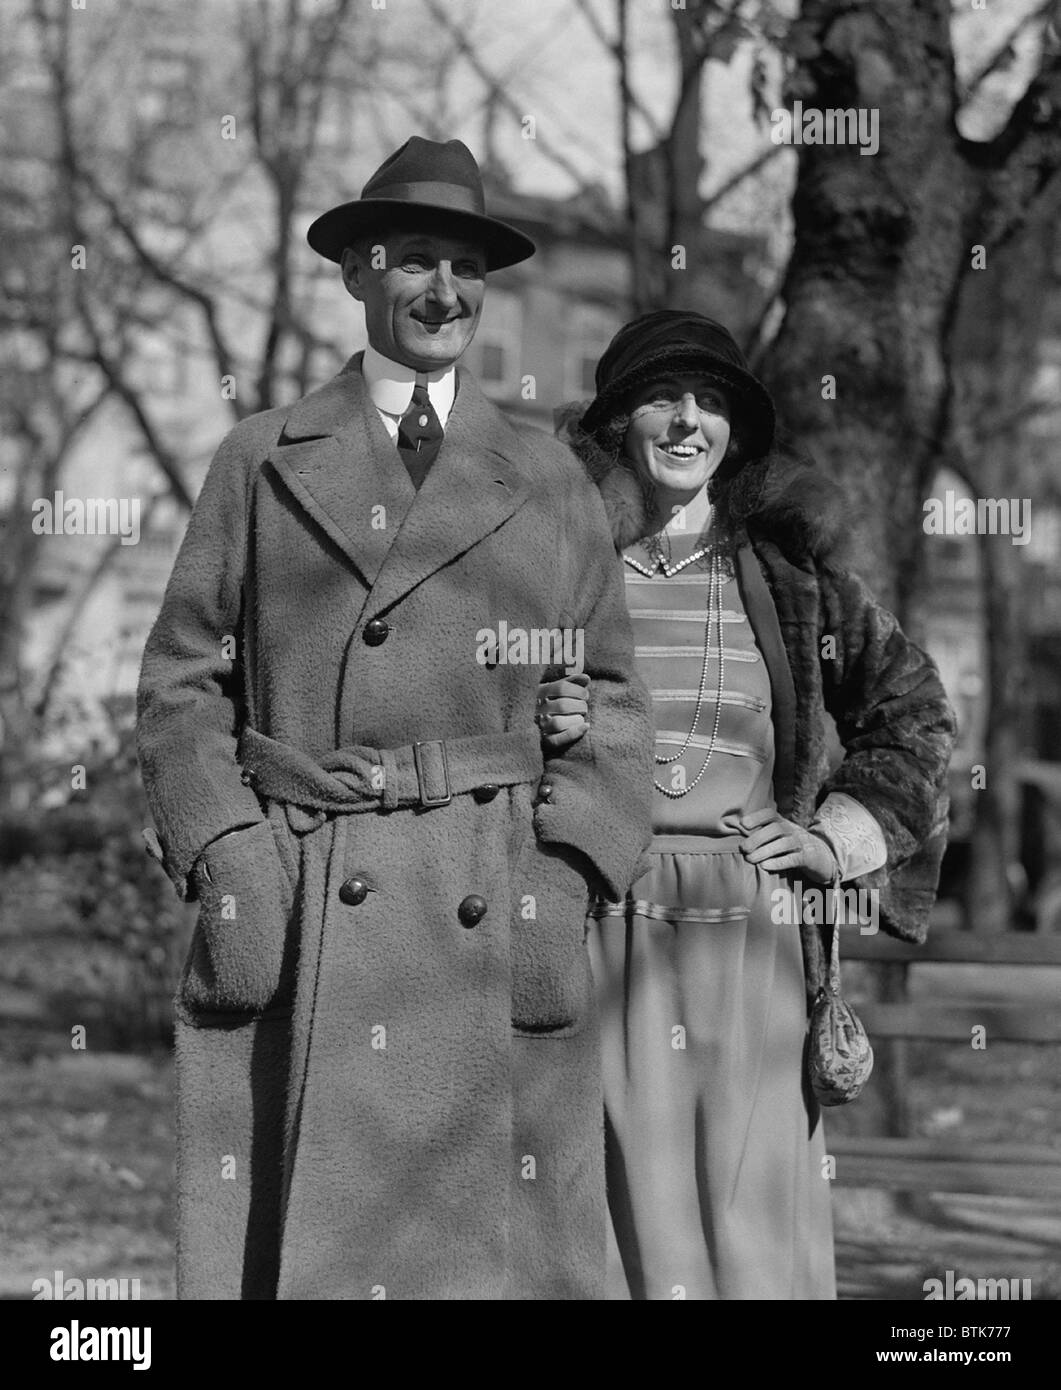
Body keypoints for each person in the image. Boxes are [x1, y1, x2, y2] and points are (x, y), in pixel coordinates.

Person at [136, 137, 653, 1301]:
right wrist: (230, 857)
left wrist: (563, 872)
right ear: (359, 273)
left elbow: (614, 696)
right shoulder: (259, 458)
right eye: (414, 259)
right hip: (313, 892)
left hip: (490, 876)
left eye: (465, 268)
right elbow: (180, 679)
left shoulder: (549, 474)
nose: (442, 291)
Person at [538, 309, 956, 1299]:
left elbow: (916, 716)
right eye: (661, 397)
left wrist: (834, 840)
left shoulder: (786, 576)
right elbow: (465, 723)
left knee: (748, 1237)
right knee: (607, 1235)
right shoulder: (553, 572)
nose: (688, 421)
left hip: (751, 942)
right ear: (613, 423)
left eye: (712, 403)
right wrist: (533, 720)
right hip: (595, 935)